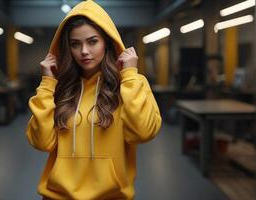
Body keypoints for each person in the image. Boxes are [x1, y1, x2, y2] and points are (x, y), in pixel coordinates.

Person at [26, 0, 162, 199]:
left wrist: (130, 75)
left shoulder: (129, 85)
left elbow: (144, 133)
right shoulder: (59, 88)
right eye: (75, 44)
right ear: (68, 47)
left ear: (107, 42)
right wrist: (47, 83)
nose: (84, 51)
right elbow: (41, 142)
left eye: (92, 41)